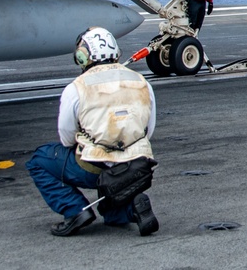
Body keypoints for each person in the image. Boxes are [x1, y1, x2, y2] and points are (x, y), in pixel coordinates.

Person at [26, 27, 159, 237]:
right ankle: (130, 206)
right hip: (136, 167)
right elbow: (148, 131)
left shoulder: (77, 87)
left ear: (82, 56)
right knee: (113, 214)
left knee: (39, 159)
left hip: (94, 168)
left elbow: (66, 137)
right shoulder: (142, 82)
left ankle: (75, 211)